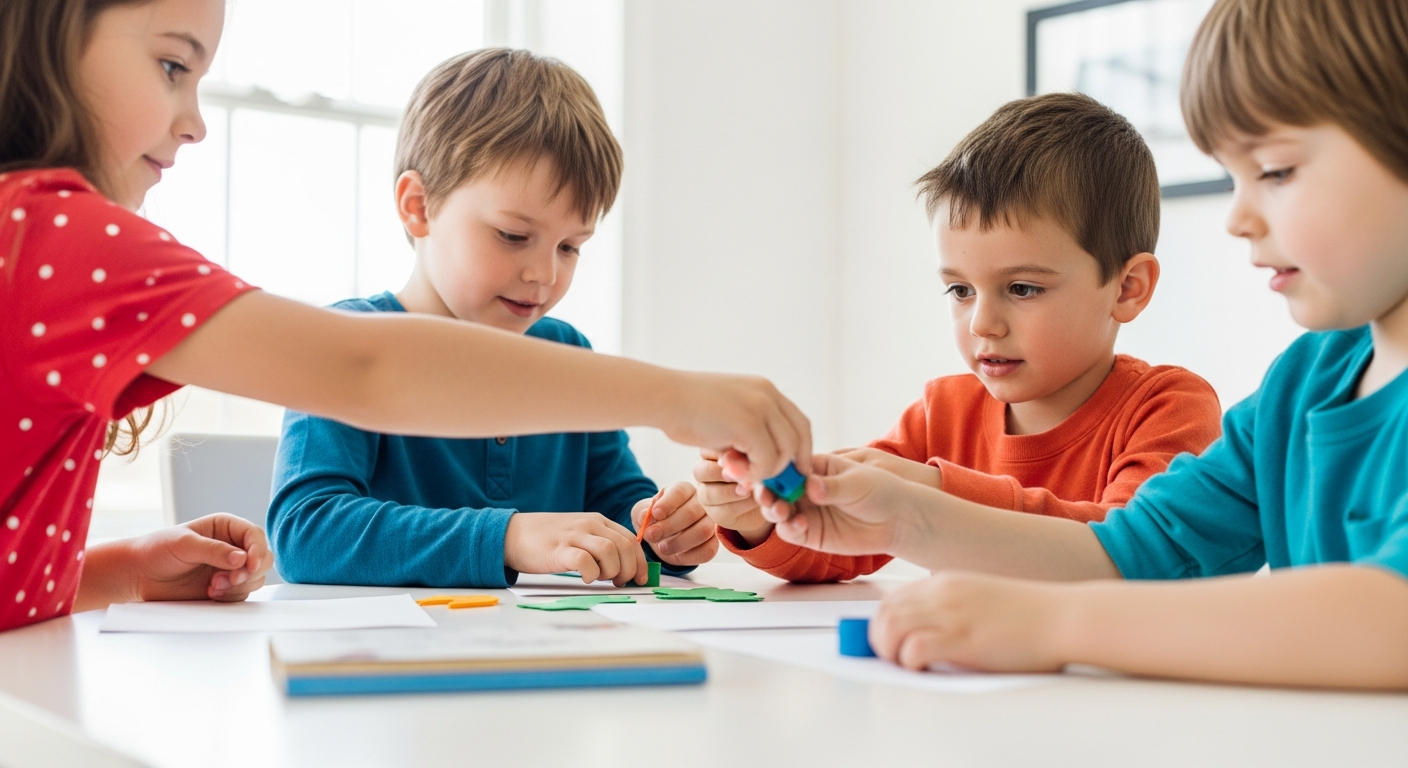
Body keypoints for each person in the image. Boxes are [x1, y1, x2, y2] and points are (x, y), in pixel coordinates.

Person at [0, 0, 810, 632]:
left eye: (572, 247)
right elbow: (368, 371)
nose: (197, 119)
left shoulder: (42, 237)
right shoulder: (54, 232)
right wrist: (681, 398)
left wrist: (119, 569)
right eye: (173, 64)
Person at [756, 0, 1408, 690]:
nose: (1238, 219)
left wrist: (1053, 624)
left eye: (1275, 171)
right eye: (1233, 177)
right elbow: (1135, 552)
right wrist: (905, 519)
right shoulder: (1301, 387)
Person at [695, 93, 1221, 583]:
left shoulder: (1170, 408)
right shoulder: (942, 412)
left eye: (1021, 288)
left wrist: (931, 495)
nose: (981, 323)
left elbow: (1128, 550)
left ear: (1127, 288)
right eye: (960, 289)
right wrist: (759, 515)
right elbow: (838, 541)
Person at [269, 50, 717, 589]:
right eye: (512, 235)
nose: (545, 274)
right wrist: (512, 537)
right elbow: (306, 532)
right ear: (419, 206)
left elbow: (619, 508)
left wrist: (661, 531)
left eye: (571, 247)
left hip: (548, 653)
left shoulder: (568, 354)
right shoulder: (342, 344)